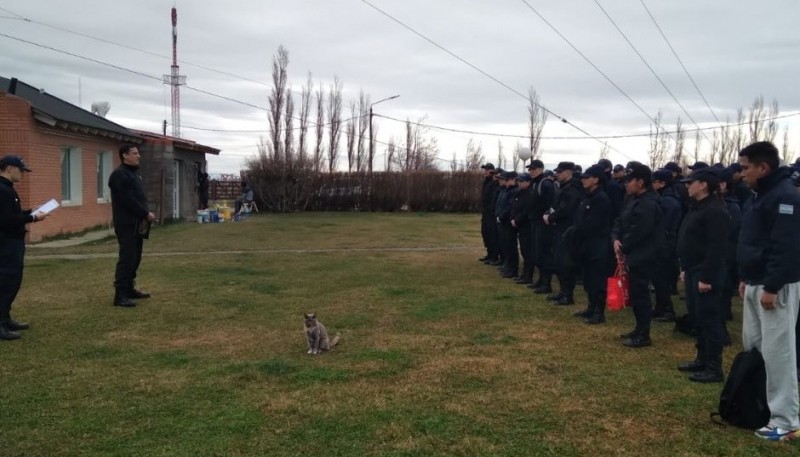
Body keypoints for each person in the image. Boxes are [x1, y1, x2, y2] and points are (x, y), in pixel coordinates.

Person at [737, 141, 800, 441]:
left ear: (763, 168)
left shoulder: (785, 197)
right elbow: (753, 241)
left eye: (746, 167)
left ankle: (786, 421)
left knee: (779, 353)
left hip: (775, 286)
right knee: (756, 348)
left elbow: (785, 247)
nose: (742, 173)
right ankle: (761, 404)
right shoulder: (760, 196)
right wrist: (746, 277)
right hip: (755, 281)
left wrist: (772, 286)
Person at [676, 168, 730, 383]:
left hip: (705, 271)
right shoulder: (696, 208)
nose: (687, 186)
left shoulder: (715, 210)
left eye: (692, 182)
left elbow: (716, 248)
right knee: (697, 317)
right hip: (692, 268)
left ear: (704, 185)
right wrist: (684, 266)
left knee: (710, 319)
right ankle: (701, 358)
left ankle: (714, 367)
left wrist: (707, 277)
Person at [613, 163, 663, 348]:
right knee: (635, 293)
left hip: (644, 255)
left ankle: (644, 334)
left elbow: (640, 231)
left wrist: (623, 247)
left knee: (641, 295)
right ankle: (638, 328)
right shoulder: (631, 199)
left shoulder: (649, 203)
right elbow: (620, 220)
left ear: (641, 182)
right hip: (631, 252)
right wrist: (616, 239)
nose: (626, 184)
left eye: (629, 180)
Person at [0, 155, 48, 340]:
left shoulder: (7, 189)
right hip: (6, 244)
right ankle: (1, 323)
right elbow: (6, 220)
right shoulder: (3, 190)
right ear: (10, 168)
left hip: (12, 242)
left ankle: (5, 317)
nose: (23, 174)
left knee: (13, 281)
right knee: (6, 281)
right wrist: (33, 218)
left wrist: (30, 212)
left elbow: (11, 214)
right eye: (21, 170)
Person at [108, 144, 155, 308]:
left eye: (138, 153)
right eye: (134, 153)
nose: (138, 156)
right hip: (127, 223)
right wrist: (145, 213)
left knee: (135, 257)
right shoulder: (119, 175)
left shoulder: (133, 174)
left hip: (138, 223)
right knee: (127, 257)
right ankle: (120, 294)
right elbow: (127, 199)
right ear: (124, 156)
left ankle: (129, 288)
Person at [572, 165, 612, 324]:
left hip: (598, 243)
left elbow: (594, 223)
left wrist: (579, 230)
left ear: (596, 179)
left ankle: (599, 312)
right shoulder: (587, 196)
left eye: (586, 177)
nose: (583, 180)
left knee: (597, 278)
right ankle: (590, 307)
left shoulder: (601, 198)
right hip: (585, 243)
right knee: (588, 277)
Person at [545, 162, 582, 305]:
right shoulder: (564, 187)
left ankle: (568, 294)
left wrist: (551, 217)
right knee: (559, 262)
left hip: (567, 229)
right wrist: (549, 213)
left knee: (566, 263)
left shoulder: (572, 189)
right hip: (559, 228)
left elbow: (566, 209)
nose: (557, 175)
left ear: (568, 172)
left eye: (560, 172)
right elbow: (556, 205)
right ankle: (562, 291)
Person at [651, 169, 682, 322]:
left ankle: (667, 310)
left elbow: (664, 225)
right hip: (665, 243)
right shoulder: (665, 198)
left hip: (665, 244)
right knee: (657, 278)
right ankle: (660, 307)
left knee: (661, 279)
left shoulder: (668, 201)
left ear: (662, 183)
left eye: (654, 181)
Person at [528, 160, 556, 293]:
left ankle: (547, 283)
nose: (531, 171)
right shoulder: (535, 183)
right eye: (530, 169)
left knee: (543, 254)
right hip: (535, 222)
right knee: (536, 253)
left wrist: (546, 215)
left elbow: (552, 203)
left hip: (543, 224)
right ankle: (541, 279)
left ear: (540, 169)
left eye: (533, 169)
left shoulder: (546, 184)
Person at [510, 173, 535, 284]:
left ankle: (528, 276)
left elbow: (527, 210)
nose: (519, 183)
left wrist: (517, 219)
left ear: (528, 182)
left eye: (521, 181)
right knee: (524, 251)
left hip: (527, 226)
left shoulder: (530, 194)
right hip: (519, 225)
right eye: (518, 181)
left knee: (527, 251)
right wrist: (512, 218)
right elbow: (514, 206)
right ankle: (524, 274)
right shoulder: (519, 192)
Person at [496, 171, 519, 279]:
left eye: (506, 179)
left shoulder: (514, 191)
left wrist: (502, 216)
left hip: (508, 222)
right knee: (505, 245)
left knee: (511, 246)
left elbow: (510, 207)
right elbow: (500, 204)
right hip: (502, 221)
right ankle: (507, 265)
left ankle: (513, 269)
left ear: (513, 180)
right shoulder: (505, 190)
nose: (504, 181)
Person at [479, 163, 500, 264]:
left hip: (491, 214)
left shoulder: (494, 183)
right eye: (485, 169)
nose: (485, 171)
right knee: (485, 233)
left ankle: (494, 256)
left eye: (488, 170)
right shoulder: (486, 182)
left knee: (492, 235)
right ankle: (489, 254)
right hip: (485, 213)